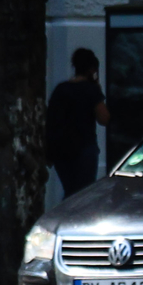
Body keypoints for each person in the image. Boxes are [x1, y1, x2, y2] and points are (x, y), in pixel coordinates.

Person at [47, 48, 109, 198]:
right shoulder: (91, 90)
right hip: (84, 150)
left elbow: (51, 120)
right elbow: (104, 118)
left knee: (70, 193)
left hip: (62, 151)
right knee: (82, 196)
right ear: (92, 69)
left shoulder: (60, 89)